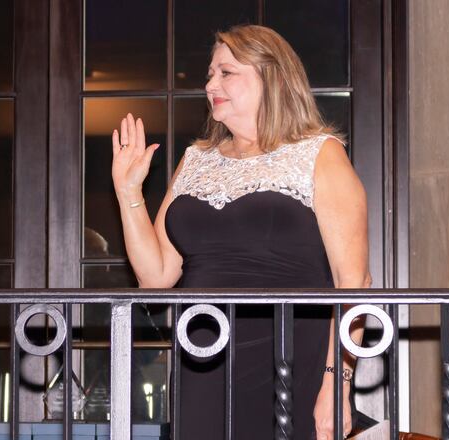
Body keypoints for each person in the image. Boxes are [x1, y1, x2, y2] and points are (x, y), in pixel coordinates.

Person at [111, 25, 369, 439]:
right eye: (210, 73)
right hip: (203, 357)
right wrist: (128, 193)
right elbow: (155, 277)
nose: (210, 83)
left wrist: (336, 384)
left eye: (226, 72)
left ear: (272, 77)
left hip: (289, 359)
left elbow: (354, 282)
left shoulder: (319, 153)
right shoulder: (195, 159)